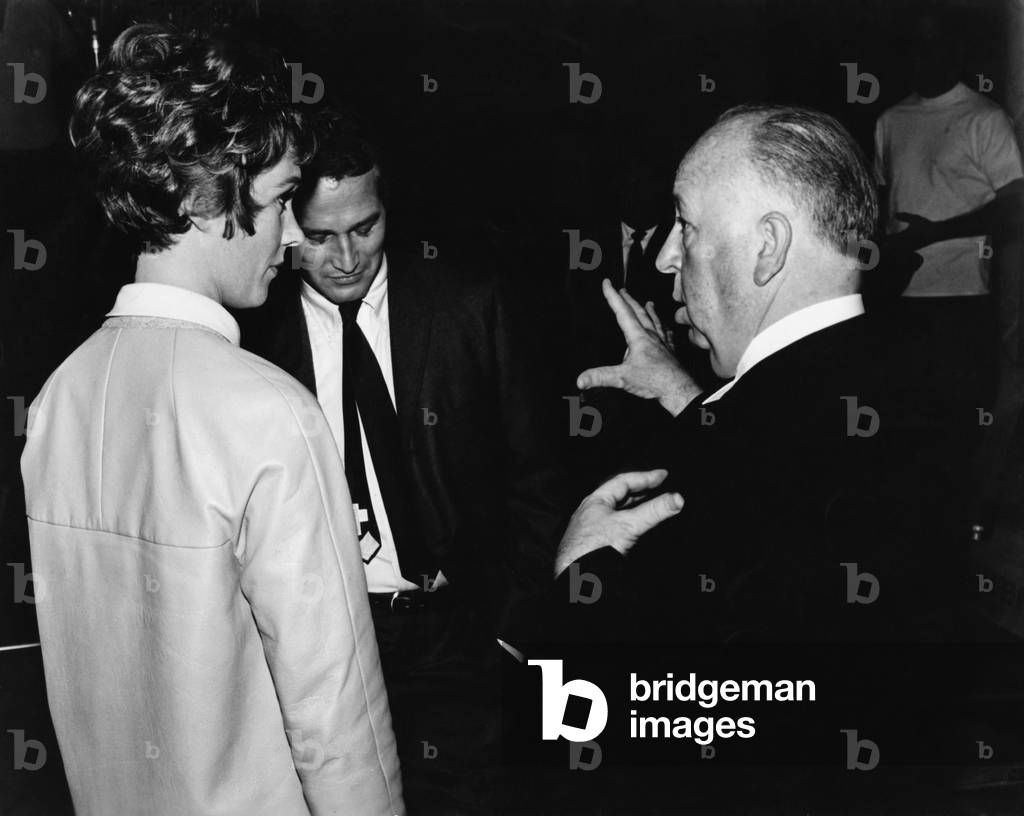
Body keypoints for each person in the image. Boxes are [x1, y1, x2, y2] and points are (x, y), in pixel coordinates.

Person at [20, 25, 403, 816]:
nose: (296, 238)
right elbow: (338, 729)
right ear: (205, 198)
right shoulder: (271, 415)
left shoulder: (59, 398)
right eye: (278, 202)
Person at [240, 109, 567, 814]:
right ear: (287, 228)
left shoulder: (469, 305)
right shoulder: (252, 340)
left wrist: (510, 634)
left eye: (366, 228)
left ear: (391, 209)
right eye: (321, 237)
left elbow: (537, 481)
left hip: (460, 634)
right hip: (322, 644)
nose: (348, 258)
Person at [873, 12, 1024, 526]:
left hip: (961, 301)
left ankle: (962, 534)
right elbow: (882, 203)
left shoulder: (985, 118)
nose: (922, 58)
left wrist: (935, 234)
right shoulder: (890, 120)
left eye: (934, 47)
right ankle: (916, 534)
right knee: (907, 429)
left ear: (955, 55)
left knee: (960, 429)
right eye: (914, 48)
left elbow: (1015, 206)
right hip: (900, 301)